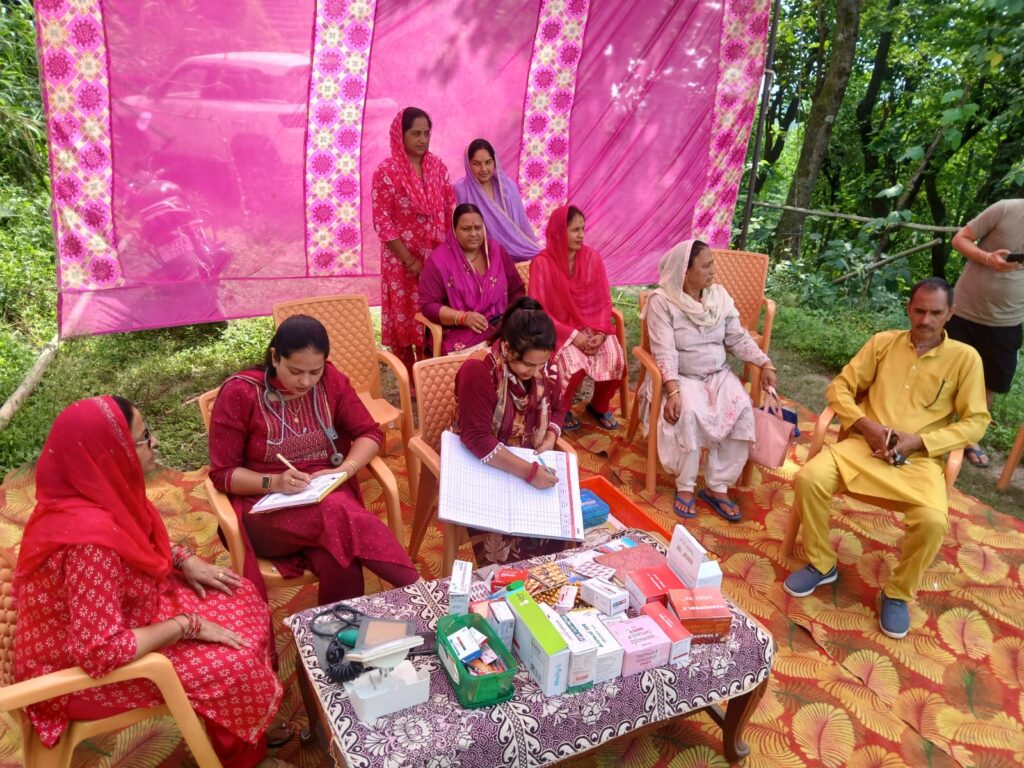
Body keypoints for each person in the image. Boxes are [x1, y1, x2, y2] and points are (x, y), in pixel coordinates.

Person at [14, 396, 292, 768]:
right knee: (233, 663)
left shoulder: (92, 491)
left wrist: (184, 559)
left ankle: (243, 725)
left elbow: (136, 536)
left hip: (119, 614)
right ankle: (243, 755)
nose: (155, 443)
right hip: (78, 673)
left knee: (237, 593)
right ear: (112, 452)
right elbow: (100, 653)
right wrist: (187, 625)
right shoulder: (89, 545)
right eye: (144, 438)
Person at [784, 278, 990, 639]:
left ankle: (897, 593)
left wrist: (922, 441)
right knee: (809, 478)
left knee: (933, 521)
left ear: (950, 314)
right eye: (919, 310)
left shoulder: (965, 358)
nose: (925, 320)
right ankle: (821, 563)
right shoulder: (883, 343)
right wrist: (865, 425)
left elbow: (976, 421)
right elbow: (840, 387)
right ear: (908, 309)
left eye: (935, 313)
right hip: (863, 448)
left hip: (918, 461)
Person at [208, 315, 419, 606]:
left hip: (323, 494)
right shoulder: (241, 393)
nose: (305, 382)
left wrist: (344, 470)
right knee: (337, 512)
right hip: (263, 509)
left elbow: (368, 433)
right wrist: (274, 482)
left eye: (314, 372)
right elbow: (223, 474)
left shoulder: (330, 381)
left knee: (341, 562)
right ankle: (421, 590)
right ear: (275, 357)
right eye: (295, 371)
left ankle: (336, 632)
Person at [639, 240, 777, 522]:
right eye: (706, 266)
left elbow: (737, 338)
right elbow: (664, 350)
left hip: (717, 374)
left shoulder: (719, 298)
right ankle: (685, 485)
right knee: (688, 412)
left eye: (712, 264)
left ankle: (718, 486)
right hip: (681, 377)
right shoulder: (662, 302)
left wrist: (764, 362)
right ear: (685, 272)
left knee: (741, 409)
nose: (713, 271)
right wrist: (673, 390)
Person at [453, 297, 568, 565]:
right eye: (527, 365)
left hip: (529, 459)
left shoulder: (545, 366)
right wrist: (529, 472)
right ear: (507, 347)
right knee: (507, 551)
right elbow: (476, 438)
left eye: (541, 364)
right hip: (482, 463)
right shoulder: (479, 370)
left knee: (562, 532)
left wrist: (551, 436)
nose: (535, 372)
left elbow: (559, 407)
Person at [372, 106, 457, 380]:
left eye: (426, 133)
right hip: (401, 261)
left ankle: (430, 375)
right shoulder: (387, 171)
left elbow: (449, 209)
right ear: (400, 135)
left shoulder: (437, 167)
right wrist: (410, 261)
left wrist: (445, 256)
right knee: (404, 316)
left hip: (435, 259)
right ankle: (407, 378)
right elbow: (383, 222)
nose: (422, 139)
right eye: (415, 133)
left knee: (432, 312)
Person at [528, 205, 624, 431]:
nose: (581, 235)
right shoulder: (542, 264)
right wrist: (573, 336)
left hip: (591, 326)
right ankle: (562, 408)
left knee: (615, 356)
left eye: (583, 229)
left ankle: (599, 405)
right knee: (573, 363)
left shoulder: (592, 259)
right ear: (558, 232)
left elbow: (604, 301)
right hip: (557, 330)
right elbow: (538, 311)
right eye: (575, 230)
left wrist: (600, 333)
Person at [945, 198, 1024, 468]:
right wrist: (988, 258)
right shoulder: (1006, 209)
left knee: (989, 382)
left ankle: (970, 437)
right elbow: (960, 239)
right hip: (964, 310)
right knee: (941, 369)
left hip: (1008, 320)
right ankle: (929, 423)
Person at [419, 203, 526, 355]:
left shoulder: (496, 251)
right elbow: (429, 305)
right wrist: (463, 317)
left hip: (501, 324)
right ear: (454, 230)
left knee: (530, 342)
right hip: (461, 329)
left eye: (478, 227)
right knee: (478, 357)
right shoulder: (439, 260)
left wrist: (512, 318)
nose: (474, 233)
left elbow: (517, 289)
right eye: (466, 229)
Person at [454, 138, 541, 262]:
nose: (484, 169)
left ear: (495, 162)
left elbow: (523, 224)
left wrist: (532, 246)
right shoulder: (460, 190)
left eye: (488, 162)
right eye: (476, 164)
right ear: (468, 164)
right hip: (480, 257)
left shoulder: (508, 187)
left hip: (518, 252)